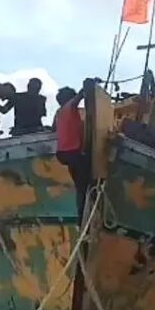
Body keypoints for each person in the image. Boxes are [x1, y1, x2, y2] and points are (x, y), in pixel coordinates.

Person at [53, 86, 89, 218]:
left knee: (79, 185)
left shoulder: (59, 112)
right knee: (84, 186)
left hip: (63, 154)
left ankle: (82, 215)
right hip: (73, 152)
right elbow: (77, 99)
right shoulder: (70, 106)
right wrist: (86, 87)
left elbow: (53, 128)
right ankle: (82, 216)